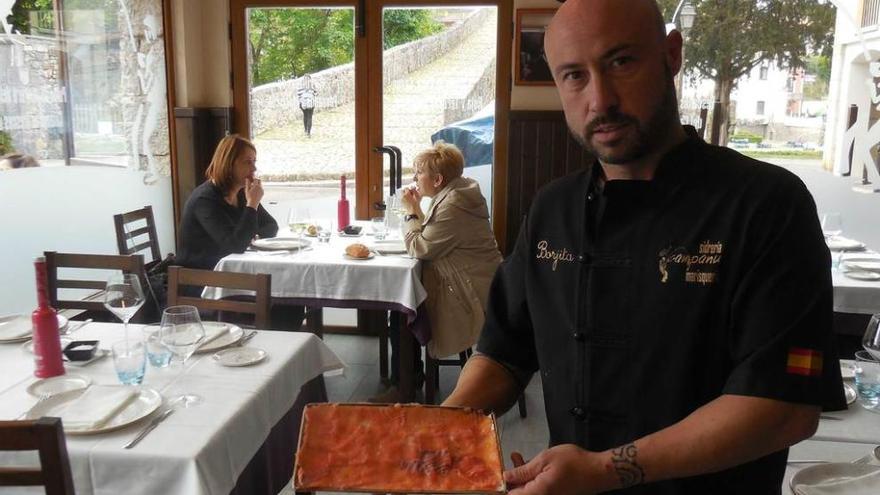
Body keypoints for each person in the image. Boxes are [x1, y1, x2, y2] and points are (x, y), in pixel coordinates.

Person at [443, 1, 845, 494]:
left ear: (671, 54)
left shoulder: (766, 204)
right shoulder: (554, 208)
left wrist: (603, 470)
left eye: (621, 62)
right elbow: (503, 353)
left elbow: (784, 409)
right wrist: (438, 429)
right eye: (574, 75)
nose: (601, 98)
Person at [370, 141, 502, 403]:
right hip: (480, 281)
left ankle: (405, 385)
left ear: (438, 179)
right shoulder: (457, 193)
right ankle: (410, 377)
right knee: (405, 303)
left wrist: (410, 211)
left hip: (471, 292)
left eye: (419, 172)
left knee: (403, 308)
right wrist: (416, 211)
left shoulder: (454, 204)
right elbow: (429, 240)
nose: (415, 178)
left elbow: (419, 247)